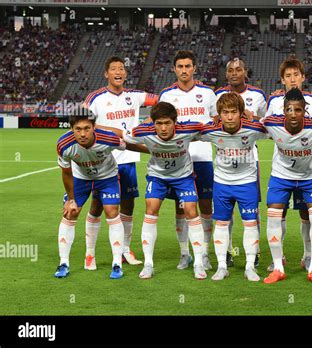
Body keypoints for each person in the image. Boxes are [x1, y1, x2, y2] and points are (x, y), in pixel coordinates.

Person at [82, 56, 158, 270]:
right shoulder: (95, 97)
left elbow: (162, 100)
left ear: (125, 74)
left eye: (121, 69)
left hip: (128, 157)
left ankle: (125, 249)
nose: (118, 71)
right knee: (97, 205)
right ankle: (90, 254)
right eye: (113, 69)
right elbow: (80, 119)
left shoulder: (135, 95)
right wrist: (110, 132)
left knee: (128, 203)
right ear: (106, 73)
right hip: (103, 159)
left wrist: (148, 122)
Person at [121, 102, 207, 280]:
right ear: (153, 123)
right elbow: (123, 138)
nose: (163, 128)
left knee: (191, 210)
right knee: (151, 208)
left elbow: (210, 129)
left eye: (167, 123)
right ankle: (148, 264)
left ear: (175, 122)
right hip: (157, 177)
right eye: (159, 123)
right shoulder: (142, 131)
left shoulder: (189, 129)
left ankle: (198, 262)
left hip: (183, 177)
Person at [262, 88, 312, 285]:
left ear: (305, 110)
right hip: (281, 176)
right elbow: (249, 127)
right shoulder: (271, 123)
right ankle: (278, 268)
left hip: (311, 177)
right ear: (283, 110)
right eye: (289, 110)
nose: (293, 114)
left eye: (298, 110)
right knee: (273, 216)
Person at [199, 92, 268, 281]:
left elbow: (275, 127)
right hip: (222, 183)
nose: (229, 117)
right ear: (219, 114)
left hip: (247, 183)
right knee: (221, 224)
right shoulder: (210, 130)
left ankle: (249, 267)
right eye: (225, 112)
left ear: (241, 113)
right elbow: (188, 132)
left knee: (250, 224)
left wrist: (257, 117)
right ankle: (222, 266)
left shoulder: (254, 129)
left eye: (234, 112)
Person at [159, 50, 217, 271]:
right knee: (181, 207)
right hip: (177, 158)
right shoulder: (167, 95)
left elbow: (214, 121)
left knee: (205, 205)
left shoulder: (207, 93)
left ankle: (204, 253)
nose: (184, 70)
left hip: (202, 156)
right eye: (180, 66)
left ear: (194, 68)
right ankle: (185, 253)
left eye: (188, 66)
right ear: (174, 69)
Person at [265, 57, 312, 272]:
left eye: (296, 75)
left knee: (307, 214)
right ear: (282, 80)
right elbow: (269, 131)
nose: (292, 79)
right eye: (288, 76)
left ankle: (308, 256)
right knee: (277, 213)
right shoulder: (274, 102)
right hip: (282, 167)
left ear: (303, 77)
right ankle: (278, 259)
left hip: (308, 169)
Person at [55, 115, 127, 279]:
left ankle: (117, 263)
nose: (82, 134)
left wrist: (156, 149)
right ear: (71, 129)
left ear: (94, 127)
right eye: (78, 129)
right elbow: (66, 172)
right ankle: (64, 263)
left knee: (111, 211)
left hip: (107, 177)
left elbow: (126, 144)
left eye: (87, 128)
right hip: (81, 179)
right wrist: (71, 200)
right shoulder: (64, 144)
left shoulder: (108, 138)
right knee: (70, 213)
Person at [215, 58, 266, 268]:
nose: (235, 73)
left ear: (245, 72)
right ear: (226, 74)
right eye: (231, 70)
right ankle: (227, 250)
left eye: (239, 70)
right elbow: (213, 121)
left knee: (252, 211)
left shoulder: (258, 95)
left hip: (249, 159)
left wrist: (251, 117)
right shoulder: (217, 95)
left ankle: (254, 253)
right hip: (225, 157)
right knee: (225, 214)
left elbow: (265, 123)